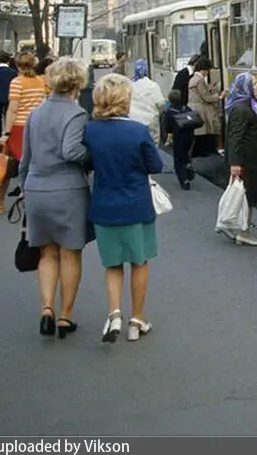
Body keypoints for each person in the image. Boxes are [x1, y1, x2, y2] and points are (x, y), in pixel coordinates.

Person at [84, 74, 163, 344]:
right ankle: (136, 320)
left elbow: (87, 163)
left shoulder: (90, 131)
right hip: (136, 205)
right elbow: (155, 165)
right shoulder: (137, 131)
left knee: (112, 265)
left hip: (104, 206)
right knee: (139, 263)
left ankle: (114, 313)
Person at [18, 58, 92, 339]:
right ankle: (65, 316)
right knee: (70, 253)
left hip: (37, 188)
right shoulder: (76, 114)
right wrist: (90, 157)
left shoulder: (36, 113)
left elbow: (25, 158)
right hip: (68, 190)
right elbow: (72, 151)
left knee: (46, 253)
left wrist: (25, 187)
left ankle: (46, 307)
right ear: (76, 84)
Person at [223, 71, 257, 247]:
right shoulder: (241, 109)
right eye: (254, 83)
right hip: (246, 161)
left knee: (246, 197)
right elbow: (235, 138)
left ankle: (238, 228)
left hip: (251, 159)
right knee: (245, 197)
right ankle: (242, 231)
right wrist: (235, 163)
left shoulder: (249, 105)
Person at [0, 53, 48, 214]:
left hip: (18, 127)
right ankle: (35, 202)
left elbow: (13, 109)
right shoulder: (41, 82)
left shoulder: (17, 82)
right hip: (36, 126)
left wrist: (6, 132)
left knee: (8, 166)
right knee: (33, 165)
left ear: (17, 66)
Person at [187, 57, 222, 157]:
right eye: (207, 71)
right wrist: (219, 97)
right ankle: (201, 152)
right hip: (200, 109)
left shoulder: (193, 79)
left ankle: (198, 152)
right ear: (204, 69)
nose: (207, 73)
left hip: (194, 107)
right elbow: (207, 97)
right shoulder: (199, 80)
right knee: (202, 132)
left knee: (198, 132)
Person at [162, 90, 195, 190]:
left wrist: (167, 139)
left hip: (178, 138)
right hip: (189, 136)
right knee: (185, 154)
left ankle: (184, 181)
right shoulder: (186, 108)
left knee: (178, 159)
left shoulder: (169, 111)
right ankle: (188, 166)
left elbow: (168, 128)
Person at [128, 59, 166, 144]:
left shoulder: (130, 86)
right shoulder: (153, 85)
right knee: (152, 145)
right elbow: (161, 103)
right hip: (151, 121)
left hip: (134, 121)